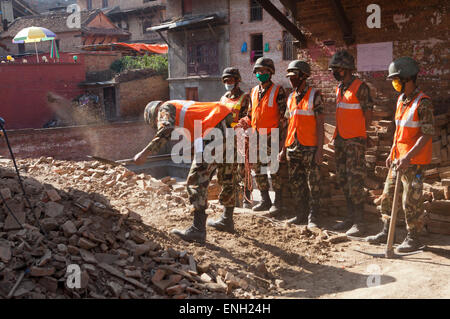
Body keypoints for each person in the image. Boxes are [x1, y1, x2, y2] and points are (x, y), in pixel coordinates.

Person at [133, 99, 237, 242]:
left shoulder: (164, 108)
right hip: (228, 122)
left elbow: (165, 130)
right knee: (227, 174)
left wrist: (145, 153)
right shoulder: (181, 106)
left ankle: (197, 230)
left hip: (214, 128)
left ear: (154, 114)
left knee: (196, 181)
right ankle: (227, 220)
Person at [365, 57, 433, 252]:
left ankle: (414, 238)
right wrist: (391, 152)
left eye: (396, 79)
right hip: (398, 160)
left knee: (411, 201)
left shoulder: (423, 103)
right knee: (387, 196)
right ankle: (388, 231)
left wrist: (408, 157)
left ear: (407, 78)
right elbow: (399, 131)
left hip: (414, 162)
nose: (394, 83)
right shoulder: (401, 100)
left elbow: (427, 135)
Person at [328, 50, 373, 237]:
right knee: (344, 179)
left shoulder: (361, 87)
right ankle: (349, 217)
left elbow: (368, 114)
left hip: (354, 142)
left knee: (355, 181)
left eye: (336, 68)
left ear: (346, 68)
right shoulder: (340, 88)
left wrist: (360, 135)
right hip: (340, 140)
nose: (334, 72)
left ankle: (359, 222)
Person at [239, 57, 288, 217]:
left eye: (264, 71)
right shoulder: (253, 91)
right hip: (255, 136)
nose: (261, 74)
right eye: (259, 71)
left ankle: (278, 202)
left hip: (272, 135)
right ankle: (265, 199)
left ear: (271, 72)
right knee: (258, 170)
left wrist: (282, 142)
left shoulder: (278, 90)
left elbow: (284, 117)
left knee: (274, 171)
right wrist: (245, 122)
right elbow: (250, 114)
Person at [279, 60, 324, 229]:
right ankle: (301, 214)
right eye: (289, 77)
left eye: (294, 76)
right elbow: (287, 125)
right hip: (293, 147)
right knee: (297, 183)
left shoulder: (315, 95)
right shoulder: (291, 97)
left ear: (304, 76)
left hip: (310, 147)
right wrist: (283, 149)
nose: (291, 80)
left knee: (314, 183)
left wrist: (320, 149)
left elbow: (320, 124)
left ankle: (314, 216)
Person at [216, 67, 253, 209]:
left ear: (237, 81)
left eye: (230, 80)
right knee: (226, 170)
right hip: (225, 138)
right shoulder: (223, 97)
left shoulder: (245, 98)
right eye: (225, 80)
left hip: (241, 137)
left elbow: (247, 117)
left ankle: (246, 199)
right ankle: (228, 199)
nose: (228, 82)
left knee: (243, 169)